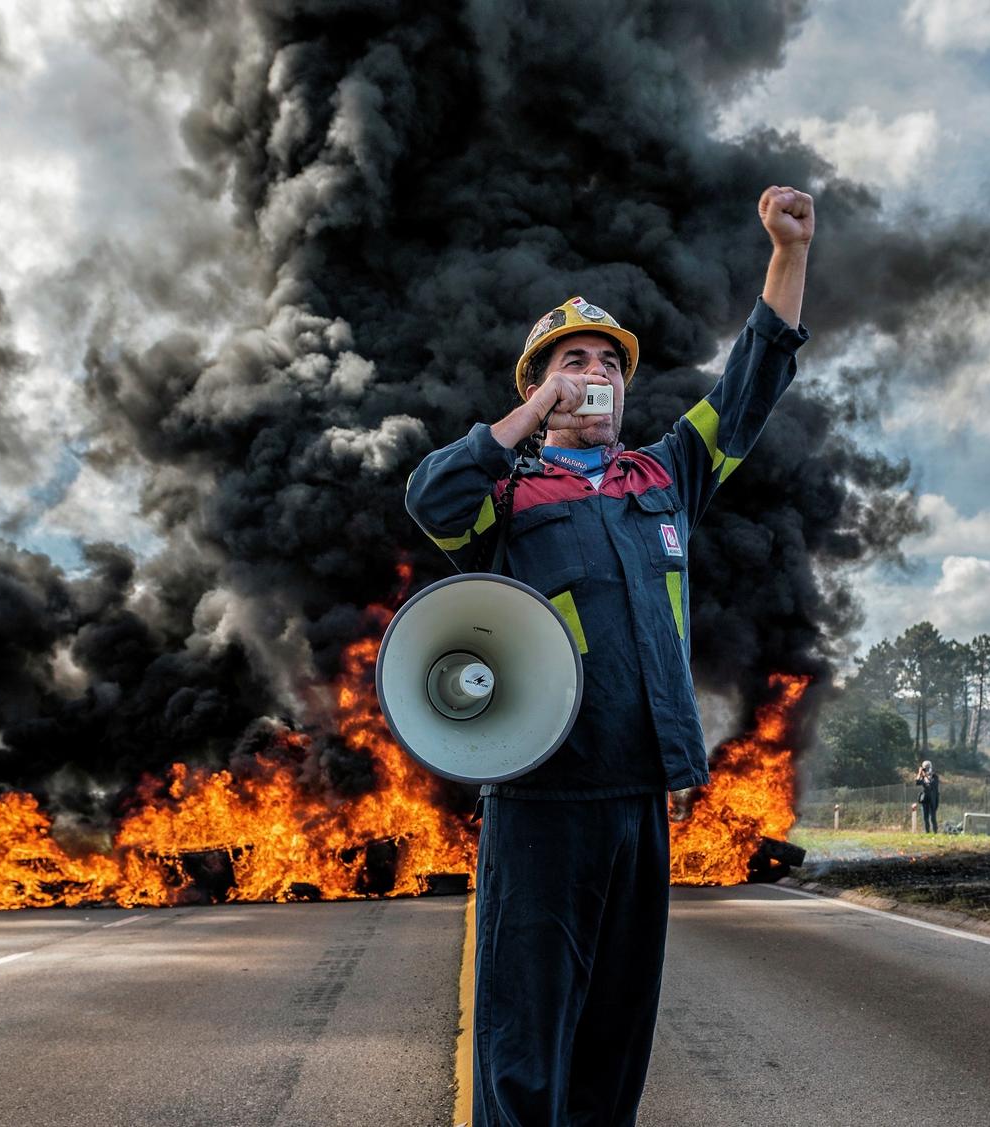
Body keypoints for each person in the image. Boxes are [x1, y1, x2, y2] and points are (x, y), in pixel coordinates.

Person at [404, 186, 815, 1125]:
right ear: (538, 387)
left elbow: (753, 383)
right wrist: (528, 419)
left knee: (615, 1035)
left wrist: (788, 256)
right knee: (524, 1034)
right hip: (544, 798)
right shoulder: (504, 494)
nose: (593, 376)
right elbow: (431, 500)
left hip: (641, 795)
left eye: (606, 365)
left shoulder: (665, 475)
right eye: (569, 363)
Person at [914, 760, 941, 833]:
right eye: (925, 768)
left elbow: (930, 784)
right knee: (925, 818)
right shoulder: (923, 777)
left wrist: (925, 776)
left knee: (933, 817)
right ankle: (927, 832)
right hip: (925, 799)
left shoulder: (935, 777)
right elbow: (917, 782)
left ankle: (935, 832)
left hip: (933, 799)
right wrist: (919, 773)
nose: (927, 769)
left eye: (928, 767)